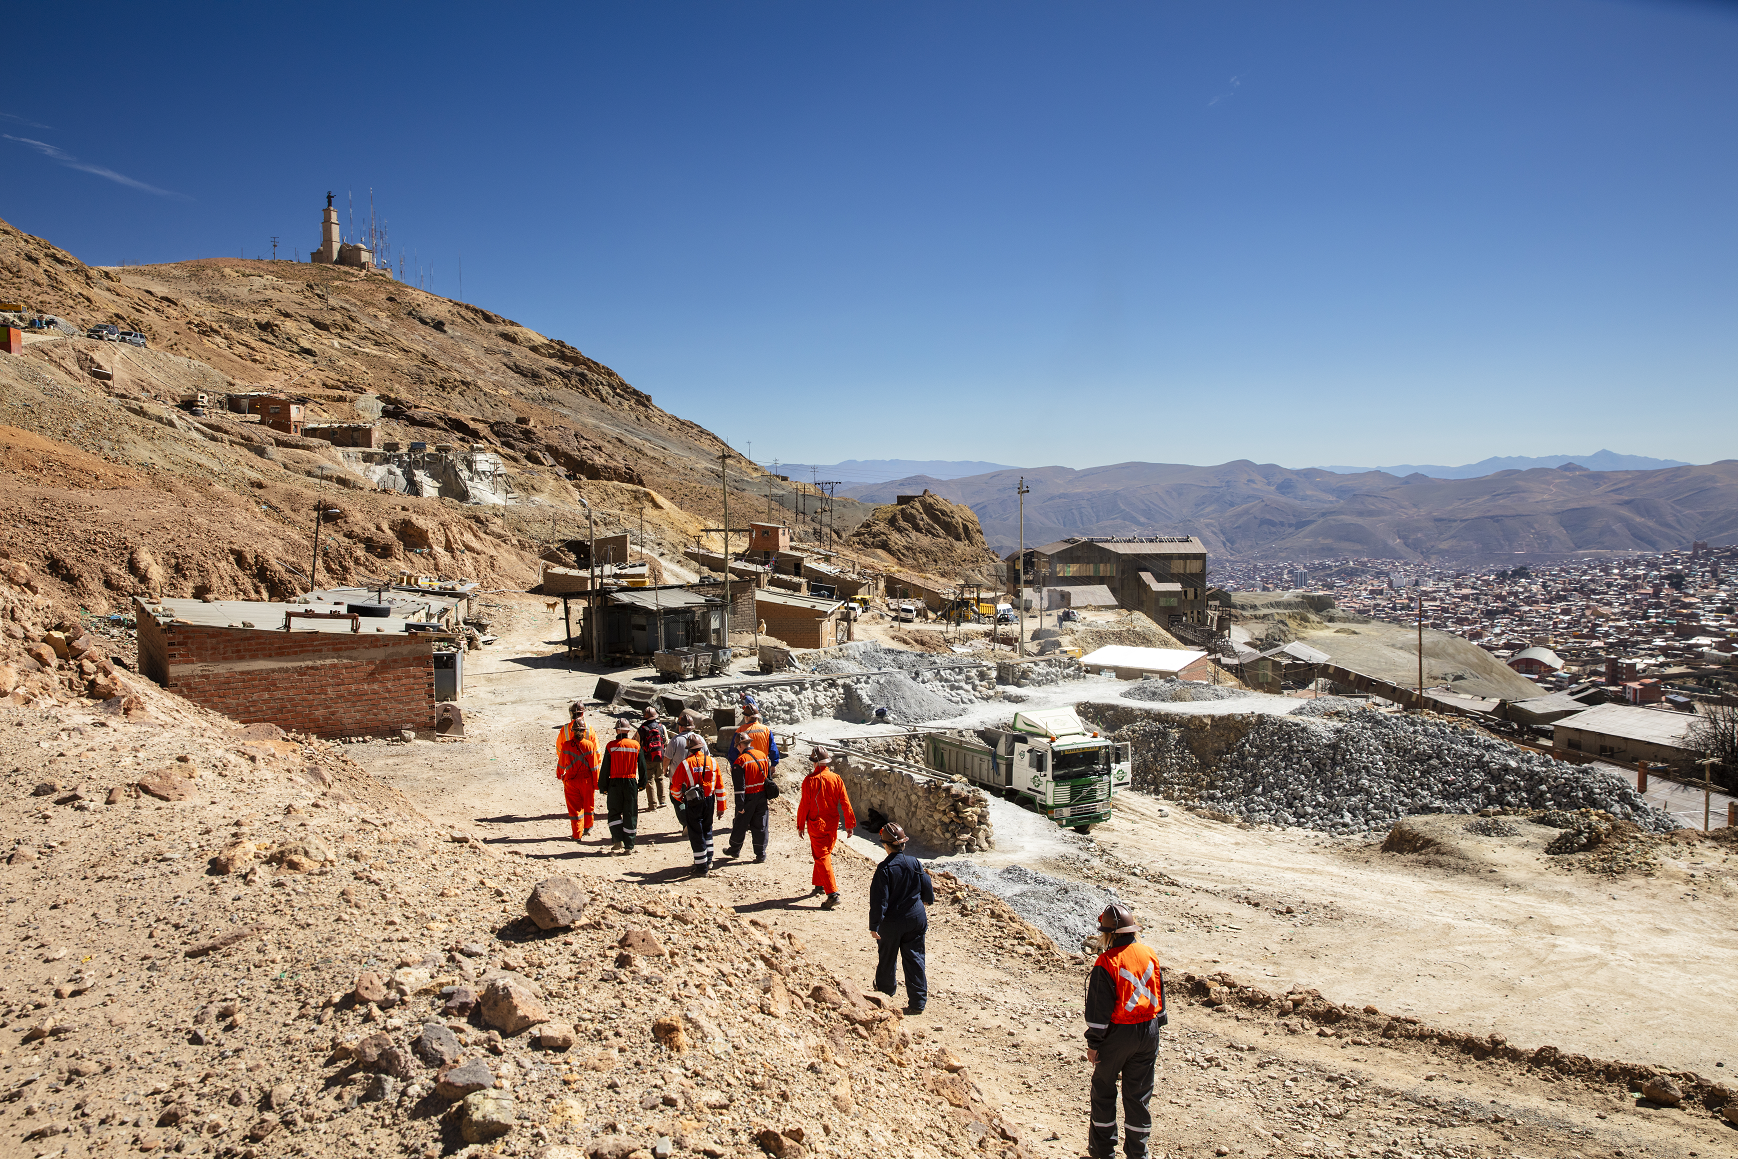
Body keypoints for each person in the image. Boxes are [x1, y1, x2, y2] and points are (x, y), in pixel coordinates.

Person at [1082, 903, 1166, 1159]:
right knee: (1138, 1095)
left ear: (1108, 934)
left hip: (1119, 1035)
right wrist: (1153, 1032)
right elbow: (1160, 996)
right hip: (1149, 1031)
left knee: (1104, 1089)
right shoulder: (1149, 953)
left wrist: (1094, 1044)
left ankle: (1104, 1152)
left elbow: (1099, 1011)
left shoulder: (1107, 962)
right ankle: (1138, 1154)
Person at [867, 822, 932, 1014]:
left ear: (885, 845)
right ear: (903, 844)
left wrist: (874, 925)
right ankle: (918, 1002)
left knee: (887, 957)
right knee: (915, 957)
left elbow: (879, 900)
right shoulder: (914, 862)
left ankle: (885, 995)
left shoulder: (884, 869)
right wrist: (926, 900)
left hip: (892, 923)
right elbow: (926, 885)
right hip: (916, 919)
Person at [794, 746, 855, 910]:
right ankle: (819, 884)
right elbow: (845, 802)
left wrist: (800, 824)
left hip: (816, 823)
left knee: (822, 856)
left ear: (814, 762)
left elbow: (804, 805)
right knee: (822, 854)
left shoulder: (809, 781)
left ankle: (832, 893)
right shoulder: (836, 778)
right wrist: (849, 824)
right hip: (832, 824)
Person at [669, 732, 727, 877]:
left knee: (695, 832)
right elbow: (720, 786)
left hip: (693, 801)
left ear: (689, 749)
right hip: (709, 800)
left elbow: (675, 787)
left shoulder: (685, 764)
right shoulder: (713, 762)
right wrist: (721, 807)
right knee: (707, 829)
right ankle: (709, 860)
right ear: (701, 747)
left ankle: (701, 867)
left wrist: (680, 798)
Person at [722, 728, 772, 862]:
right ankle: (761, 853)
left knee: (740, 824)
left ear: (739, 745)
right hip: (762, 795)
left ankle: (734, 849)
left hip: (748, 797)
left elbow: (739, 787)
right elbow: (769, 778)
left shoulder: (740, 761)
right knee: (761, 825)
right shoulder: (763, 756)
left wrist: (740, 805)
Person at [554, 701, 601, 841]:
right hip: (587, 776)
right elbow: (596, 756)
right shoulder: (590, 730)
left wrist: (565, 767)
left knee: (574, 808)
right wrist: (596, 780)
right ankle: (588, 826)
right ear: (583, 713)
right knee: (588, 803)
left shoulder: (565, 730)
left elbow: (559, 751)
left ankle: (577, 833)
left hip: (571, 775)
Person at [602, 719, 643, 855]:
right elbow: (642, 767)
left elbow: (605, 768)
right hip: (631, 782)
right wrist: (642, 783)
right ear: (628, 731)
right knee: (630, 813)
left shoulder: (610, 746)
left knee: (614, 811)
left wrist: (603, 786)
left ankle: (617, 840)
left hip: (614, 783)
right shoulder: (636, 745)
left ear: (617, 730)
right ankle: (629, 846)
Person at [637, 706, 670, 812]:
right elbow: (666, 742)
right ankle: (662, 800)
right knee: (659, 778)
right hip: (660, 756)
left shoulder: (642, 729)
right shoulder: (661, 727)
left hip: (647, 758)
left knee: (649, 780)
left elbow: (636, 743)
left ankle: (652, 805)